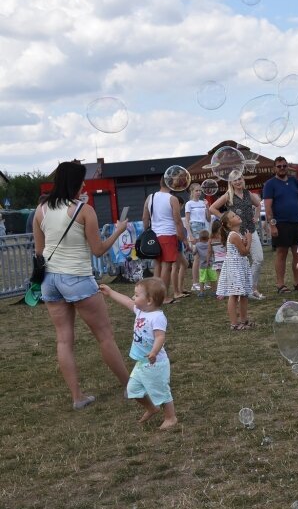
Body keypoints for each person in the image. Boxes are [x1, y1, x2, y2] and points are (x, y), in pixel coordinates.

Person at [32, 161, 130, 410]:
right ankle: (130, 386)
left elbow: (39, 252)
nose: (85, 185)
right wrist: (118, 232)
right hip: (77, 277)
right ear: (74, 183)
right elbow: (98, 249)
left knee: (64, 340)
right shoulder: (83, 210)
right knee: (104, 335)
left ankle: (77, 397)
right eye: (82, 181)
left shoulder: (40, 210)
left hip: (50, 281)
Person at [99, 278, 178, 429]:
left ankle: (171, 417)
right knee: (133, 390)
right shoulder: (140, 311)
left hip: (155, 363)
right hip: (142, 362)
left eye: (137, 295)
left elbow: (160, 336)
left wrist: (154, 352)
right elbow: (126, 301)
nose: (133, 298)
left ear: (149, 300)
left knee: (161, 391)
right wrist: (110, 292)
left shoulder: (157, 317)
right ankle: (151, 408)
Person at [262, 156, 298, 294]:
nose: (282, 168)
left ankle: (297, 282)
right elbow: (268, 206)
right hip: (281, 223)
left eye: (284, 166)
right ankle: (280, 285)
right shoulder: (270, 184)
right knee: (281, 253)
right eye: (279, 166)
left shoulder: (294, 181)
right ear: (274, 168)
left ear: (287, 167)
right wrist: (272, 225)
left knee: (297, 253)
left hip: (297, 222)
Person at [209, 175, 264, 300]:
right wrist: (225, 220)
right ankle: (240, 289)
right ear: (231, 182)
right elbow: (212, 208)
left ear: (243, 180)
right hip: (236, 233)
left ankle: (252, 287)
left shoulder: (248, 193)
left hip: (251, 230)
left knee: (258, 259)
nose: (238, 181)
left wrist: (255, 217)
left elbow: (258, 204)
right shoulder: (228, 195)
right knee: (238, 262)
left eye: (240, 179)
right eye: (235, 180)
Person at [142, 177, 186, 304]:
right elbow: (177, 220)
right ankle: (164, 297)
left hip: (155, 235)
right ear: (171, 184)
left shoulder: (150, 197)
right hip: (168, 234)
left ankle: (154, 295)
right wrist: (182, 237)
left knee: (158, 266)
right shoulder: (172, 199)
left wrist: (147, 232)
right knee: (166, 267)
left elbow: (145, 217)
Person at [216, 211, 255, 330]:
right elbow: (244, 252)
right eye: (233, 216)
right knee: (233, 295)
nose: (237, 216)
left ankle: (243, 320)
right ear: (228, 224)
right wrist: (249, 240)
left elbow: (241, 249)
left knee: (243, 294)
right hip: (235, 268)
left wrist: (245, 241)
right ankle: (234, 323)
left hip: (240, 266)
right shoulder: (233, 235)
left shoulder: (237, 234)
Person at [185, 183, 211, 292]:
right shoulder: (189, 204)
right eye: (196, 190)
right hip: (194, 227)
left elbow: (209, 218)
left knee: (205, 256)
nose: (199, 192)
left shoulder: (203, 202)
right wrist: (190, 234)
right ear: (192, 192)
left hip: (204, 228)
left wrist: (207, 207)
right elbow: (187, 220)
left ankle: (203, 282)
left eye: (200, 190)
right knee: (197, 256)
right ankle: (195, 283)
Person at [194, 230, 217, 296]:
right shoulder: (210, 244)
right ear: (208, 238)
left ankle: (201, 292)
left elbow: (194, 252)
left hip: (202, 265)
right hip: (211, 264)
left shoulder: (197, 245)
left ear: (200, 238)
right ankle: (214, 291)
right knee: (213, 278)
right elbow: (212, 251)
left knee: (202, 279)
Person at [209, 219, 226, 293]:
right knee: (226, 275)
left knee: (219, 276)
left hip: (217, 260)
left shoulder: (211, 239)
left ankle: (220, 291)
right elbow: (227, 249)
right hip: (225, 259)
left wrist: (208, 259)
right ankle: (226, 290)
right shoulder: (223, 238)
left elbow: (210, 251)